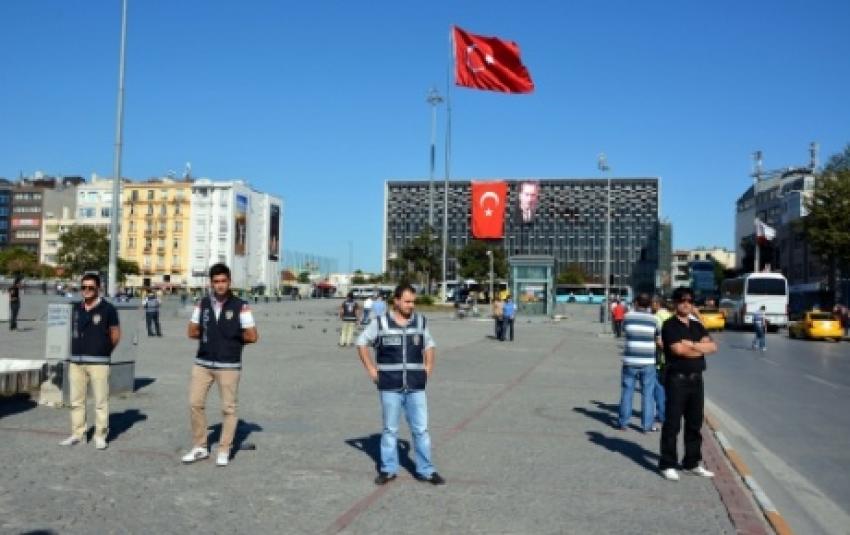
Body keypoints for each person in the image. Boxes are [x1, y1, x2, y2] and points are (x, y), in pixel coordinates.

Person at [356, 283, 445, 486]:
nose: (411, 305)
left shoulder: (420, 322)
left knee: (421, 430)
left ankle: (426, 470)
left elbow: (430, 344)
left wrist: (428, 368)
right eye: (407, 301)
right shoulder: (380, 323)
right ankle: (388, 469)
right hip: (389, 386)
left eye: (413, 301)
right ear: (396, 301)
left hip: (416, 386)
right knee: (390, 430)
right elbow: (361, 342)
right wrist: (371, 370)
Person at [182, 263, 258, 467]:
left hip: (229, 365)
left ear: (229, 282)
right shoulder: (203, 303)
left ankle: (224, 449)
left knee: (228, 409)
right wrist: (210, 336)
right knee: (194, 403)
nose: (220, 285)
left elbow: (252, 336)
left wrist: (229, 340)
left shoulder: (240, 305)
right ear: (211, 283)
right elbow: (191, 331)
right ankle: (200, 446)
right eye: (216, 281)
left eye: (223, 281)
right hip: (203, 362)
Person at [659, 287, 718, 481]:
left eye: (690, 300)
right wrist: (699, 348)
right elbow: (678, 350)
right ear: (675, 303)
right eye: (682, 300)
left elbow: (712, 347)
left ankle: (691, 462)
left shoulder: (696, 325)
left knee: (694, 424)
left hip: (696, 380)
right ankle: (667, 463)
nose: (686, 303)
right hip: (677, 380)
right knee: (673, 423)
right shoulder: (669, 325)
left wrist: (692, 345)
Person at [59, 273, 121, 450]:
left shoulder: (108, 309)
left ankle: (100, 435)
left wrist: (104, 351)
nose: (86, 291)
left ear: (98, 288)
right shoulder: (77, 308)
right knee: (76, 400)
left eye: (90, 287)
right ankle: (78, 433)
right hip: (76, 361)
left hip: (99, 362)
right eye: (83, 287)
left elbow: (116, 334)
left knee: (101, 401)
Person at [617, 293, 662, 432]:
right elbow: (658, 340)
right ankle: (646, 425)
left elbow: (624, 331)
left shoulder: (628, 317)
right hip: (648, 361)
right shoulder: (655, 320)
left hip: (630, 361)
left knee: (627, 391)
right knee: (648, 394)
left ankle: (623, 423)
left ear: (636, 303)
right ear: (650, 304)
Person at [651, 297, 672, 429]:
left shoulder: (657, 317)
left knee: (659, 387)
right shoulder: (671, 316)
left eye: (653, 303)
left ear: (657, 304)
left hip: (660, 357)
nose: (651, 306)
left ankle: (662, 415)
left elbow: (657, 337)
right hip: (671, 357)